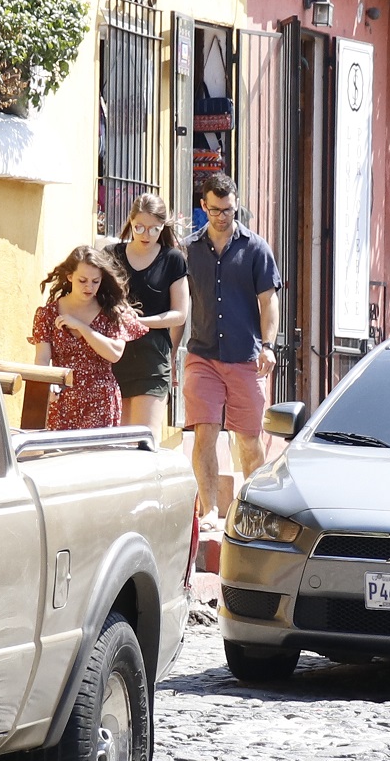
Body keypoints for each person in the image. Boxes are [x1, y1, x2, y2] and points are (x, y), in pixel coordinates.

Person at [183, 171, 281, 523]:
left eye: (228, 210)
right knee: (204, 434)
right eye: (215, 210)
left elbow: (268, 301)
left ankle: (251, 514)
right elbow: (181, 301)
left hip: (245, 358)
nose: (223, 217)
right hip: (203, 355)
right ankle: (209, 510)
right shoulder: (191, 249)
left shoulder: (255, 248)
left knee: (248, 442)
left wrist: (267, 346)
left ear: (235, 205)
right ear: (203, 207)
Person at [30, 244, 135, 432]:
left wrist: (83, 328)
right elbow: (42, 358)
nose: (89, 287)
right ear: (70, 277)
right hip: (62, 398)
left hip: (101, 400)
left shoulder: (111, 311)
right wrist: (47, 383)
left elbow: (115, 353)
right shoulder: (47, 315)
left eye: (95, 281)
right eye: (82, 280)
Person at [110, 193, 189, 431]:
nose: (146, 235)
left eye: (154, 229)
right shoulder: (112, 255)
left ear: (163, 226)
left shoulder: (172, 259)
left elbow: (179, 314)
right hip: (114, 356)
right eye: (140, 227)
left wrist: (141, 321)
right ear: (131, 222)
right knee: (114, 447)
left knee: (144, 441)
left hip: (153, 359)